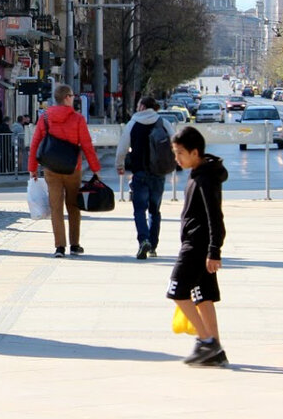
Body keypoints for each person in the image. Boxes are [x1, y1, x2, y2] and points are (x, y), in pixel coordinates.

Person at [167, 125, 228, 367]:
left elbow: (216, 217)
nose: (177, 159)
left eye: (180, 153)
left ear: (195, 152)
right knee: (203, 297)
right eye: (175, 153)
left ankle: (207, 341)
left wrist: (214, 250)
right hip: (198, 244)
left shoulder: (204, 178)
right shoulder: (200, 173)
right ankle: (217, 350)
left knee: (177, 291)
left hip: (197, 246)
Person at [28, 84, 101, 257]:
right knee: (73, 206)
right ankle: (75, 245)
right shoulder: (78, 119)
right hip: (72, 168)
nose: (74, 97)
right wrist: (95, 168)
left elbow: (35, 143)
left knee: (56, 207)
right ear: (67, 98)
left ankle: (59, 246)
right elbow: (87, 145)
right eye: (72, 95)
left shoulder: (45, 117)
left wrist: (32, 168)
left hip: (51, 168)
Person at [116, 96, 168, 259]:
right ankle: (153, 245)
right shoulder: (162, 122)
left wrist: (120, 165)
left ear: (142, 106)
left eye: (138, 105)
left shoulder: (133, 123)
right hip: (158, 173)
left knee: (139, 210)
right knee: (155, 211)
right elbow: (175, 141)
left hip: (140, 173)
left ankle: (143, 240)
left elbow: (122, 147)